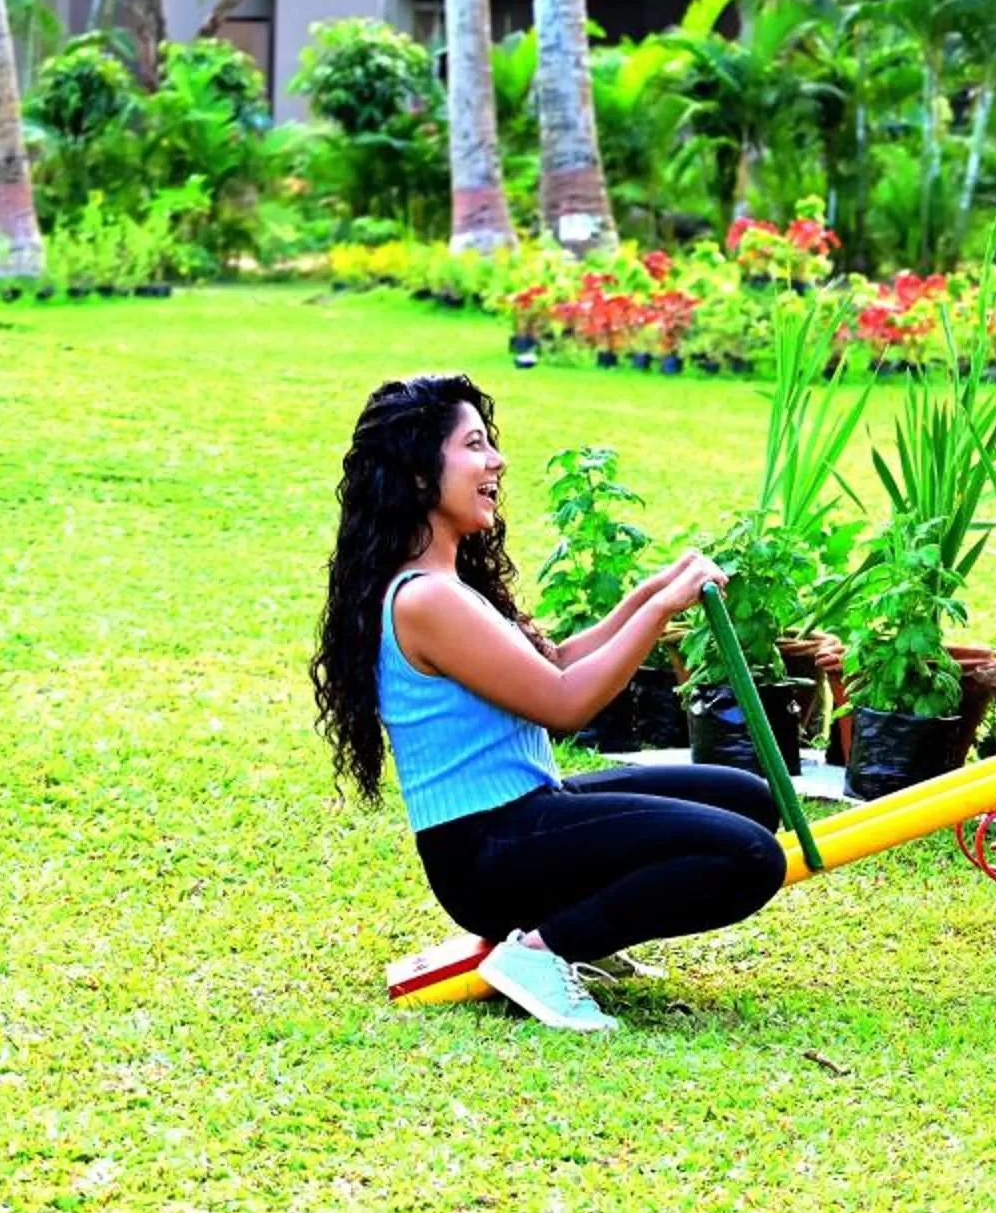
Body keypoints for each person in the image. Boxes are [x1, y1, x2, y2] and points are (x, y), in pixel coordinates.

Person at [311, 374, 788, 1033]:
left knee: (746, 798)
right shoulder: (426, 599)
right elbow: (564, 705)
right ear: (420, 476)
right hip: (487, 853)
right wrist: (658, 611)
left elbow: (554, 662)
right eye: (474, 445)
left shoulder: (448, 583)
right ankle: (542, 952)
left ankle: (580, 936)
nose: (496, 461)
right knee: (750, 857)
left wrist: (646, 593)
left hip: (528, 814)